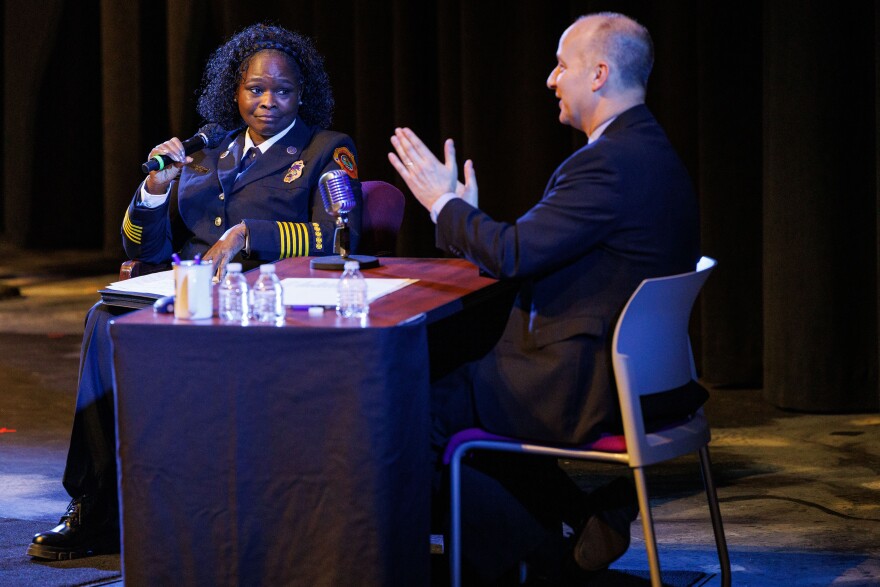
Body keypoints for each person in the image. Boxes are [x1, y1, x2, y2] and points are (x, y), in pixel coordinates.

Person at [389, 12, 707, 583]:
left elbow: (513, 254)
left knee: (416, 403)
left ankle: (413, 564)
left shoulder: (605, 165)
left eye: (562, 65)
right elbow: (529, 248)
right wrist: (467, 217)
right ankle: (558, 532)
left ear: (599, 74)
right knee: (458, 380)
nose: (550, 79)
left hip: (581, 386)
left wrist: (444, 205)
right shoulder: (650, 153)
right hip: (642, 381)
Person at [27, 22, 363, 561]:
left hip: (262, 304)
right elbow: (145, 244)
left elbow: (339, 236)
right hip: (188, 293)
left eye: (283, 90)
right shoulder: (207, 149)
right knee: (103, 318)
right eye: (256, 89)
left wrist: (251, 234)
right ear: (235, 90)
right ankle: (96, 504)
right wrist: (154, 192)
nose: (268, 101)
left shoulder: (326, 150)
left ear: (304, 94)